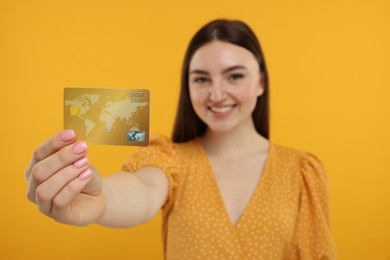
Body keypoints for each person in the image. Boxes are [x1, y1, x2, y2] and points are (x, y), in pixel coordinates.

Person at [25, 19, 336, 259]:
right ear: (188, 86)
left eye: (235, 76)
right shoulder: (169, 159)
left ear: (261, 82)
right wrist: (99, 198)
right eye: (201, 79)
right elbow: (142, 191)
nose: (216, 94)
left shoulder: (302, 171)